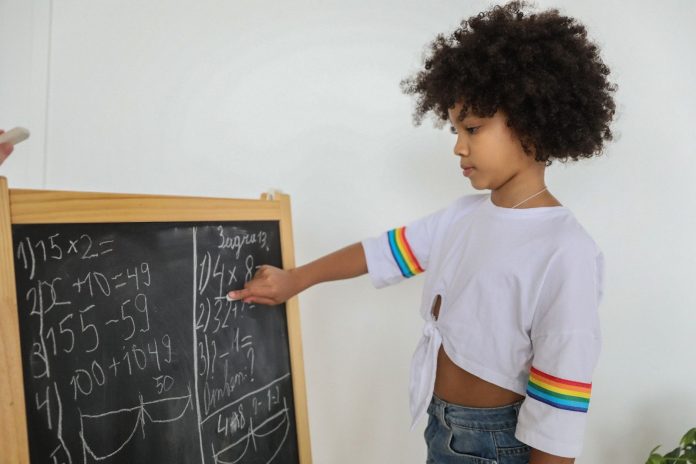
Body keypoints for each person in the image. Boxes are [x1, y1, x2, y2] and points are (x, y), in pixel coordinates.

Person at [228, 1, 616, 463]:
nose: (458, 146)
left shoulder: (564, 250)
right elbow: (383, 253)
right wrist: (298, 279)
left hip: (498, 444)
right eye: (455, 128)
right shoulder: (462, 217)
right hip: (441, 426)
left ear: (532, 122)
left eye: (472, 128)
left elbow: (561, 399)